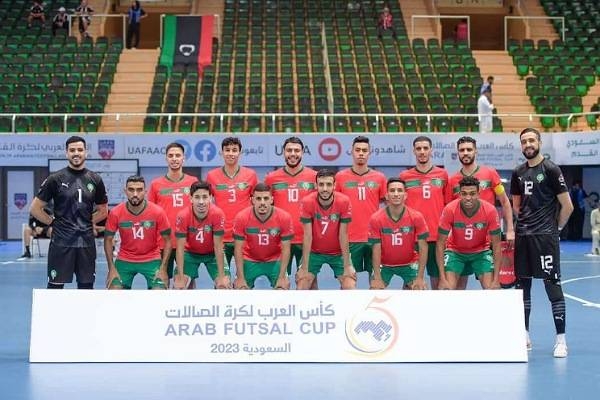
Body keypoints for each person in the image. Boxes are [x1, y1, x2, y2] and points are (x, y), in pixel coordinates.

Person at [510, 127, 574, 358]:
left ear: (539, 142)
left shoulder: (551, 169)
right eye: (524, 141)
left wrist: (555, 229)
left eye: (531, 140)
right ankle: (524, 336)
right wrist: (525, 224)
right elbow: (516, 206)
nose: (528, 144)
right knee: (522, 289)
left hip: (545, 239)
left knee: (552, 287)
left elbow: (568, 206)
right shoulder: (517, 172)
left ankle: (561, 341)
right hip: (523, 238)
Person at [29, 135, 108, 289]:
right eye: (72, 150)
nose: (76, 153)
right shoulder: (55, 179)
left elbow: (103, 211)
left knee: (86, 288)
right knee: (55, 287)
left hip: (86, 243)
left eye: (80, 150)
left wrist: (86, 222)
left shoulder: (96, 179)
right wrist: (54, 223)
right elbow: (35, 208)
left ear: (86, 152)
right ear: (66, 153)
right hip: (61, 242)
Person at [447, 136, 515, 288]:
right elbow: (449, 210)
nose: (465, 153)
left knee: (491, 287)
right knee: (458, 289)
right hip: (461, 244)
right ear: (458, 153)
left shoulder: (490, 174)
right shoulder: (452, 180)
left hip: (488, 241)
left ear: (475, 151)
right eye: (462, 150)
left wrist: (510, 229)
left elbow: (505, 202)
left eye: (469, 149)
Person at [399, 136, 449, 290]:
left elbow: (448, 206)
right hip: (412, 237)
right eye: (418, 148)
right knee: (411, 282)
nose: (422, 152)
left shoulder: (443, 175)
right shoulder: (404, 177)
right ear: (413, 151)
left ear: (431, 150)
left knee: (438, 283)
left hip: (436, 237)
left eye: (425, 148)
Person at [104, 176, 171, 290]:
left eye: (139, 190)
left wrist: (163, 269)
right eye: (131, 190)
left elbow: (168, 240)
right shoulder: (116, 212)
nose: (135, 194)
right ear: (125, 191)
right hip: (125, 259)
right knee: (114, 292)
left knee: (159, 293)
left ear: (145, 191)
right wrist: (111, 269)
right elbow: (108, 240)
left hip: (152, 259)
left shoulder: (158, 212)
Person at [437, 176, 503, 290]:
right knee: (446, 289)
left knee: (492, 289)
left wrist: (496, 280)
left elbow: (497, 245)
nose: (468, 198)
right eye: (464, 194)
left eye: (472, 194)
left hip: (481, 252)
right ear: (459, 194)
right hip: (455, 252)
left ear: (478, 194)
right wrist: (442, 279)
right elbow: (440, 243)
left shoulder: (490, 210)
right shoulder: (450, 209)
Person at [264, 136, 317, 277]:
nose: (293, 154)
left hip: (307, 239)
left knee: (309, 281)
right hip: (280, 240)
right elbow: (265, 208)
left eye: (296, 150)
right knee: (280, 281)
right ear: (283, 152)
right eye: (289, 150)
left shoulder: (314, 177)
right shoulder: (271, 178)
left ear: (302, 152)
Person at [335, 136, 386, 279]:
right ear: (351, 152)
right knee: (348, 282)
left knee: (377, 282)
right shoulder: (340, 177)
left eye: (364, 150)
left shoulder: (380, 178)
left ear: (370, 152)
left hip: (374, 238)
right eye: (357, 150)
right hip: (349, 239)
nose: (361, 153)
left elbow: (389, 206)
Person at [296, 169, 354, 290]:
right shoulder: (307, 202)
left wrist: (347, 265)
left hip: (337, 253)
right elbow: (308, 236)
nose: (325, 189)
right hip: (314, 252)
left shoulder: (344, 201)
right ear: (316, 185)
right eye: (321, 184)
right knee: (302, 285)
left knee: (349, 285)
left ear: (334, 185)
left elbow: (343, 234)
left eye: (328, 184)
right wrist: (304, 268)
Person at [148, 142, 198, 283]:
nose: (174, 158)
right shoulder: (156, 184)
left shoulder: (193, 182)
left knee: (187, 283)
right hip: (163, 243)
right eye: (170, 156)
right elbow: (150, 215)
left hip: (187, 243)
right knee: (161, 282)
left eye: (177, 155)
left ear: (183, 158)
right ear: (166, 158)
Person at [206, 137, 258, 269]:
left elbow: (257, 204)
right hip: (221, 236)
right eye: (227, 150)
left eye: (234, 150)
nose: (231, 153)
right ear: (221, 152)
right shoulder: (212, 176)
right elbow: (207, 206)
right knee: (222, 278)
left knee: (244, 277)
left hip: (244, 235)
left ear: (240, 153)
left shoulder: (251, 175)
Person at [369, 178, 429, 290]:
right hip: (384, 265)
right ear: (386, 196)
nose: (396, 194)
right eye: (392, 191)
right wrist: (377, 277)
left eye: (400, 190)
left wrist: (420, 277)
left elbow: (423, 247)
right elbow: (376, 248)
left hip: (410, 263)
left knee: (419, 289)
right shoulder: (376, 218)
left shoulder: (416, 217)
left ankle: (408, 287)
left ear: (405, 195)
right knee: (375, 290)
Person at [232, 183, 293, 289]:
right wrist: (240, 277)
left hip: (275, 260)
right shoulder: (241, 217)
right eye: (258, 199)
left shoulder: (284, 217)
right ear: (252, 200)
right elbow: (238, 249)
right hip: (250, 259)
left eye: (266, 198)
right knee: (240, 289)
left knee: (282, 288)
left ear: (272, 200)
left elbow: (286, 249)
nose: (262, 202)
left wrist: (282, 276)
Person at [174, 181, 229, 290]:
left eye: (205, 197)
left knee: (224, 286)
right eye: (197, 197)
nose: (201, 202)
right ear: (191, 198)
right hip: (190, 253)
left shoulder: (218, 214)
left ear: (211, 198)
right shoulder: (183, 216)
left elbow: (218, 247)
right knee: (178, 288)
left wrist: (222, 277)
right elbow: (180, 248)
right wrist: (180, 277)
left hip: (212, 254)